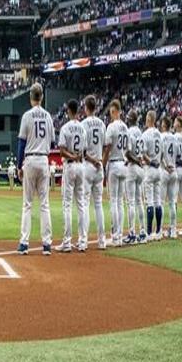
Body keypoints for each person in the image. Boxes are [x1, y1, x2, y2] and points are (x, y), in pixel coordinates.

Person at [16, 82, 54, 255]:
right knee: (44, 204)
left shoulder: (27, 116)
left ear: (31, 97)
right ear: (42, 97)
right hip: (44, 159)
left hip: (30, 159)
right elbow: (52, 141)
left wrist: (18, 165)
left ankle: (24, 243)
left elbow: (21, 143)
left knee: (27, 204)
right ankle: (46, 245)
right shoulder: (48, 116)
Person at [57, 98, 87, 252]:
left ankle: (67, 242)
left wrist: (72, 156)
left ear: (69, 110)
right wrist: (77, 156)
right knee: (81, 204)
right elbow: (85, 150)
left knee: (67, 204)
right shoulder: (82, 128)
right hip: (81, 166)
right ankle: (82, 242)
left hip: (70, 165)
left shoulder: (65, 128)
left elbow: (62, 151)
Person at [81, 95, 107, 249]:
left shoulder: (83, 124)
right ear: (96, 107)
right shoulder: (102, 124)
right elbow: (105, 146)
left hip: (88, 166)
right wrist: (100, 161)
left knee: (84, 204)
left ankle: (83, 241)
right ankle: (102, 241)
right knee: (98, 205)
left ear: (86, 107)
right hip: (99, 167)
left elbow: (83, 152)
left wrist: (93, 161)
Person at [103, 99, 129, 247]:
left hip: (114, 163)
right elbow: (129, 148)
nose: (111, 114)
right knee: (120, 202)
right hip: (124, 164)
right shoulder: (125, 127)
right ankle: (120, 235)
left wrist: (102, 164)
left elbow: (107, 148)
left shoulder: (111, 127)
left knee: (114, 201)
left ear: (115, 111)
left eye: (111, 112)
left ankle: (115, 236)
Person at [142, 110, 163, 241]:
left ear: (149, 119)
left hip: (150, 168)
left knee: (149, 201)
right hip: (159, 169)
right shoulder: (160, 134)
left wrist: (150, 161)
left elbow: (143, 154)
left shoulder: (145, 134)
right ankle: (158, 231)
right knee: (157, 201)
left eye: (146, 118)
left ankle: (149, 232)